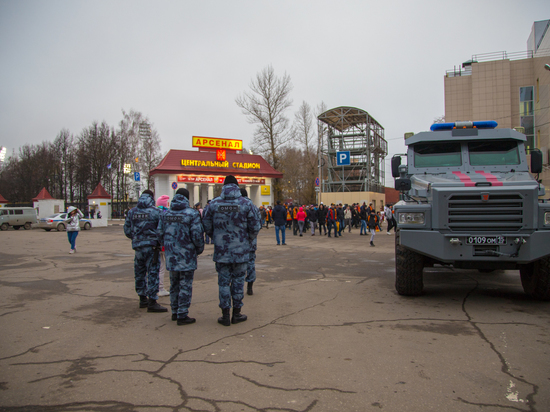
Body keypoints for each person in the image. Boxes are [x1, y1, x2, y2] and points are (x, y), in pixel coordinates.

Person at [202, 175, 261, 326]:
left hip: (221, 253)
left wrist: (216, 238)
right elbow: (255, 227)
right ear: (236, 186)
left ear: (223, 186)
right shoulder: (246, 203)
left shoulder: (213, 204)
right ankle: (237, 314)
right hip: (241, 252)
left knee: (223, 283)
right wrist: (246, 240)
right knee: (238, 281)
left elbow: (206, 226)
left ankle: (225, 315)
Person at [158, 188, 204, 325]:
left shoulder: (166, 214)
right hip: (187, 256)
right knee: (185, 285)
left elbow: (159, 234)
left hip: (171, 255)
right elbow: (197, 235)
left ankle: (174, 311)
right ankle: (182, 314)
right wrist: (198, 249)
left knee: (174, 284)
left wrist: (168, 246)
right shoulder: (192, 214)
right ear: (187, 198)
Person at [123, 189, 167, 313]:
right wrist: (157, 241)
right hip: (152, 248)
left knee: (139, 273)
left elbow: (127, 230)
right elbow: (161, 230)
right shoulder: (156, 212)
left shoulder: (132, 212)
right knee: (153, 273)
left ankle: (142, 299)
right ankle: (152, 301)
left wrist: (137, 238)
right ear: (152, 198)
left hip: (138, 248)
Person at [240, 188, 258, 295]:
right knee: (251, 264)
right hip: (251, 242)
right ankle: (250, 286)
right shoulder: (253, 207)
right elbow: (257, 225)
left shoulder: (238, 206)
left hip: (239, 243)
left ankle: (238, 287)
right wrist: (251, 237)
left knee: (239, 265)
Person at [156, 195, 171, 297]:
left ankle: (156, 286)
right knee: (162, 267)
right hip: (164, 244)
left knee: (157, 266)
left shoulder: (154, 212)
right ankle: (160, 288)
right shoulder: (166, 214)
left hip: (155, 243)